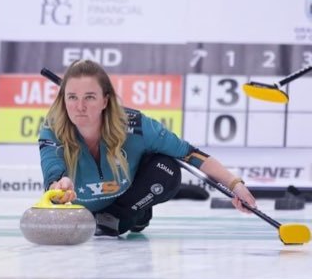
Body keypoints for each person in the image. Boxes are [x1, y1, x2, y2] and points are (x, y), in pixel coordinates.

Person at [39, 60, 256, 237]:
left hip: (123, 204)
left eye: (89, 97)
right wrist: (58, 185)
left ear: (105, 101)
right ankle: (125, 215)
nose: (80, 106)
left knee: (167, 167)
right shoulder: (52, 129)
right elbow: (52, 168)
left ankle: (123, 215)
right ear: (63, 99)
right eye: (72, 97)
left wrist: (235, 185)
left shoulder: (137, 125)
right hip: (83, 211)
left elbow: (190, 154)